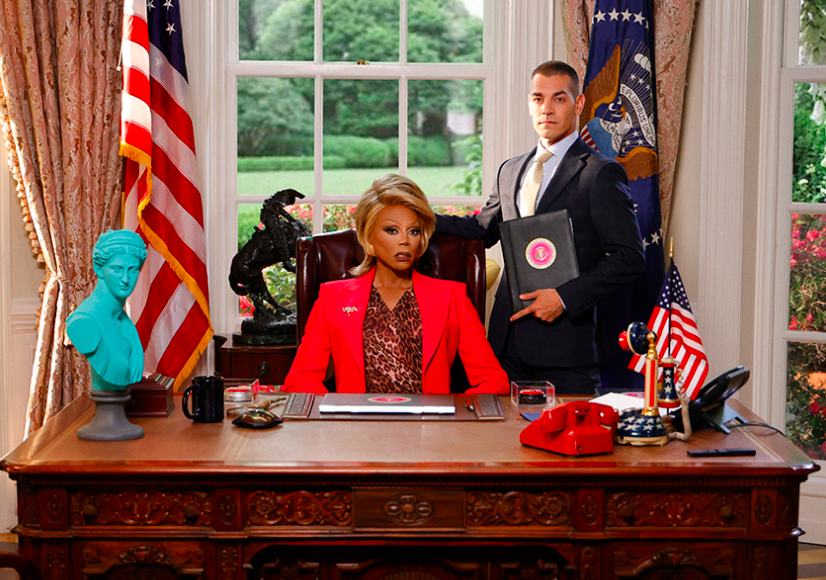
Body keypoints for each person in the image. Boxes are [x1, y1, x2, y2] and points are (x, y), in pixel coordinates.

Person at [436, 60, 645, 394]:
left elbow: (629, 257)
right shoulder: (510, 170)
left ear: (578, 104)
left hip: (567, 348)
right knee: (500, 430)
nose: (546, 108)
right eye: (538, 98)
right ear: (530, 103)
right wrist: (419, 218)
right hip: (505, 343)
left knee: (566, 428)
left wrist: (564, 297)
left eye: (559, 98)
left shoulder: (599, 173)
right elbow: (482, 230)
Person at [283, 174, 509, 395]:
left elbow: (494, 382)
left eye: (414, 231)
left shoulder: (453, 297)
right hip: (356, 419)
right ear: (368, 237)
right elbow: (301, 379)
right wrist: (335, 412)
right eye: (392, 230)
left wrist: (453, 411)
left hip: (431, 419)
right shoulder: (332, 297)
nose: (404, 240)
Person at [66, 230, 147, 392]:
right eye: (117, 269)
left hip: (122, 404)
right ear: (99, 268)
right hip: (107, 402)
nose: (126, 279)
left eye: (133, 269)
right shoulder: (83, 322)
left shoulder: (122, 320)